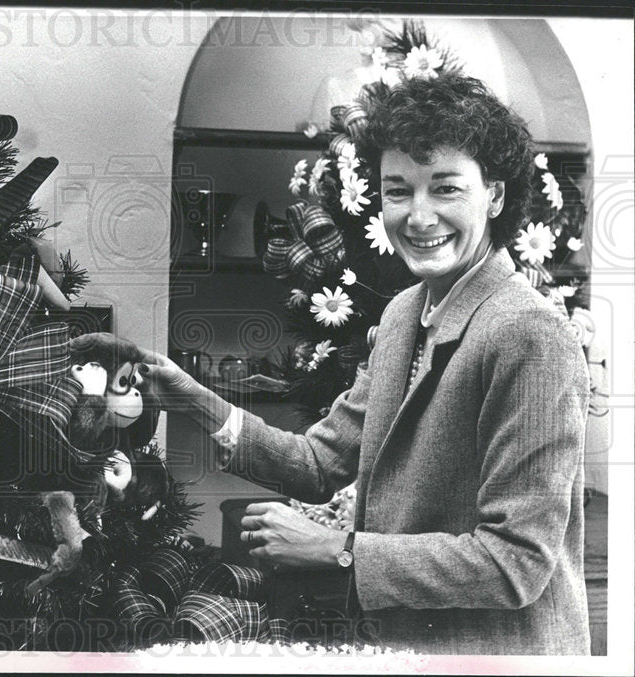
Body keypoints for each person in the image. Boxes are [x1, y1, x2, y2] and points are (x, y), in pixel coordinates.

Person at [73, 73, 590, 655]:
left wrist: (336, 548)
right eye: (398, 191)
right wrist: (183, 391)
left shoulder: (530, 334)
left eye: (445, 189)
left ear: (494, 195)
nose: (418, 217)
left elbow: (515, 563)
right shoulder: (403, 315)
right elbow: (319, 461)